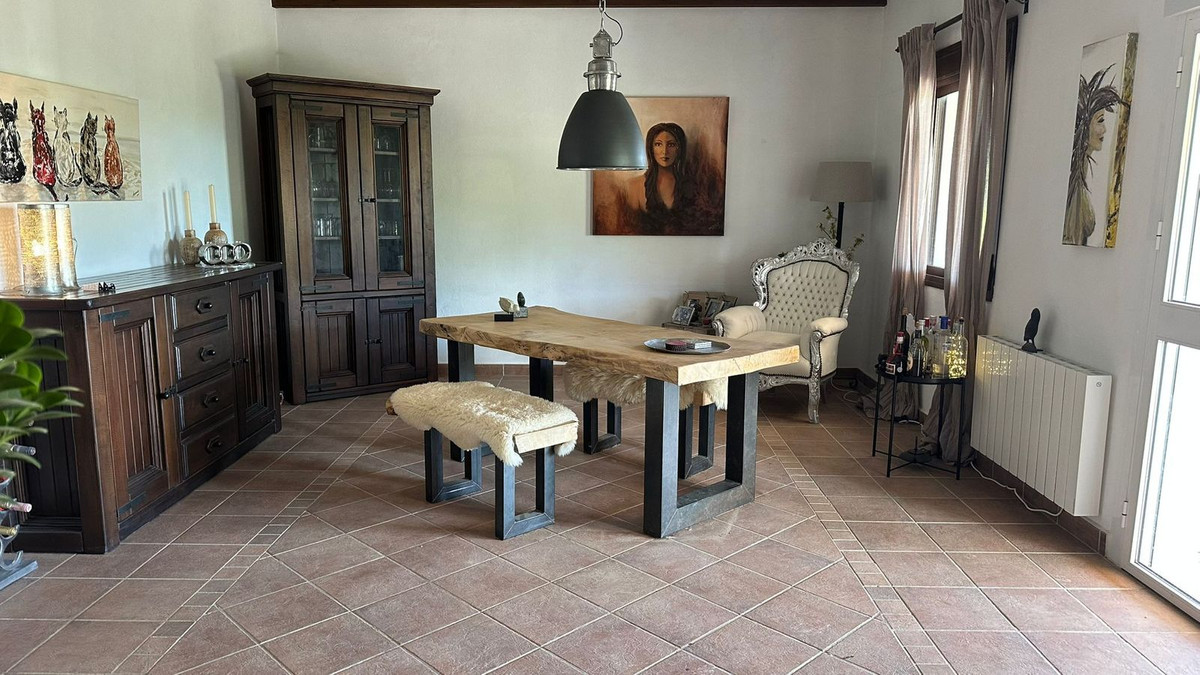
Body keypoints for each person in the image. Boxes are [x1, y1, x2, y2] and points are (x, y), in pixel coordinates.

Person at [1064, 65, 1126, 246]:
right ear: (1083, 126)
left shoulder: (1079, 177)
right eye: (1100, 121)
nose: (1104, 129)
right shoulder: (1073, 182)